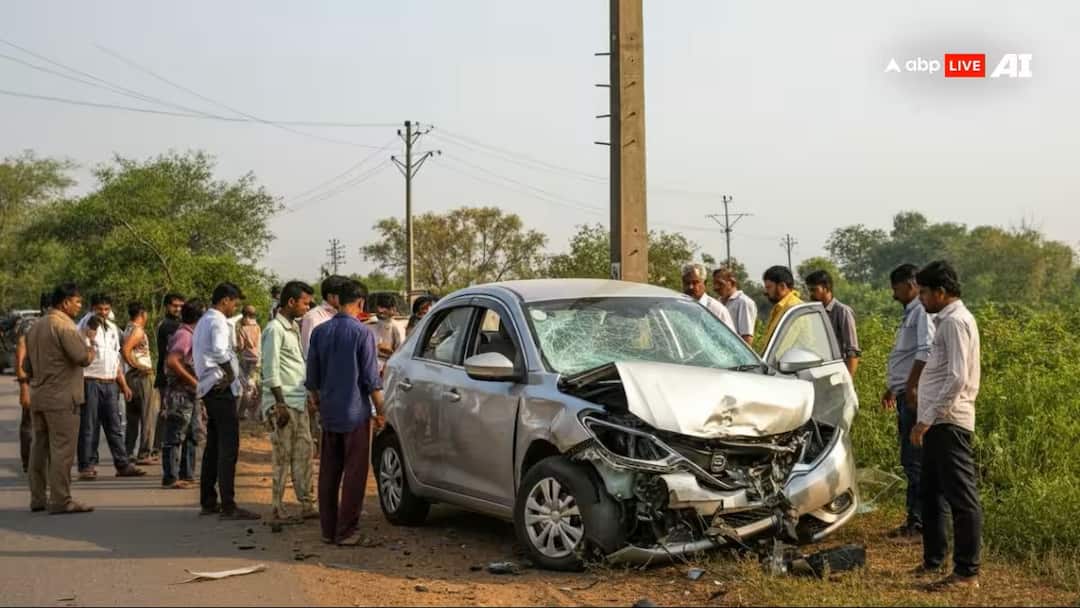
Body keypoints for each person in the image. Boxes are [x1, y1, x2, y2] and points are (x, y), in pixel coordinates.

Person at [910, 261, 983, 591]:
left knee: (961, 498)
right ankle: (933, 560)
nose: (921, 298)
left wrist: (926, 419)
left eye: (924, 292)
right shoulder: (947, 321)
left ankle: (967, 571)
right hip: (938, 421)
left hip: (948, 421)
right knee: (930, 493)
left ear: (941, 292)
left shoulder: (954, 322)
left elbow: (957, 377)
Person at [305, 279, 384, 546]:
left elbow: (312, 378)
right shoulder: (363, 334)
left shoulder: (320, 332)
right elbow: (371, 380)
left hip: (329, 412)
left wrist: (317, 401)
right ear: (361, 302)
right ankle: (347, 530)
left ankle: (328, 529)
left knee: (329, 471)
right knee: (354, 474)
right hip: (355, 413)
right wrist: (382, 411)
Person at [23, 283, 96, 514]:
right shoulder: (64, 326)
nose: (79, 306)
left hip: (40, 397)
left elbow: (27, 366)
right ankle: (61, 500)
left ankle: (37, 498)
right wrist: (90, 343)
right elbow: (82, 358)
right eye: (77, 302)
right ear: (65, 302)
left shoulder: (35, 327)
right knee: (62, 450)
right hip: (63, 399)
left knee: (39, 448)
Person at [193, 282, 259, 520]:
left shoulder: (204, 321)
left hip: (210, 386)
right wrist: (230, 375)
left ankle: (209, 501)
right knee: (228, 447)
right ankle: (228, 504)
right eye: (234, 303)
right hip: (220, 387)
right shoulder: (218, 320)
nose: (235, 308)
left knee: (214, 446)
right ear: (225, 301)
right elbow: (221, 351)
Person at [881, 263, 935, 541]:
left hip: (914, 396)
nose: (894, 293)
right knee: (911, 460)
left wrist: (912, 386)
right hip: (904, 393)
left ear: (911, 284)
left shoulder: (922, 312)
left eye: (897, 287)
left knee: (914, 461)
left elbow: (925, 351)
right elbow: (907, 353)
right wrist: (894, 387)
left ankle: (919, 525)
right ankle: (915, 521)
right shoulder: (912, 312)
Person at [261, 281, 317, 521]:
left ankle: (307, 504)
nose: (308, 307)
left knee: (304, 453)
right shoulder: (275, 329)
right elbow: (271, 369)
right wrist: (280, 404)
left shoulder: (293, 328)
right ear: (291, 302)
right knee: (282, 456)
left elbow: (296, 366)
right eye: (305, 302)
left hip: (298, 400)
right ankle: (277, 506)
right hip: (283, 404)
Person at [76, 294, 145, 479]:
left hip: (110, 382)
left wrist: (123, 384)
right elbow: (80, 350)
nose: (103, 313)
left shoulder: (113, 329)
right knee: (89, 426)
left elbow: (116, 359)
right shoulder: (85, 324)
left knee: (114, 426)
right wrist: (90, 336)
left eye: (106, 309)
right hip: (89, 379)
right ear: (92, 308)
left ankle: (122, 464)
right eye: (100, 309)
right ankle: (86, 466)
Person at [300, 275, 348, 457]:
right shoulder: (314, 317)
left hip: (339, 380)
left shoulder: (342, 315)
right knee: (320, 423)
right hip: (321, 380)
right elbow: (308, 352)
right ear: (332, 296)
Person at [161, 299, 206, 489]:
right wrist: (192, 380)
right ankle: (170, 476)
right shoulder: (184, 336)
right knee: (175, 434)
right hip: (181, 393)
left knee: (191, 434)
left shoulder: (191, 334)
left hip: (190, 392)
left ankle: (187, 474)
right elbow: (172, 361)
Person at [14, 293, 50, 474]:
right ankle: (28, 463)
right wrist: (23, 386)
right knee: (29, 424)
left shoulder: (59, 324)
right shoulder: (30, 326)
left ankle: (44, 463)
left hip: (51, 384)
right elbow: (21, 355)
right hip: (33, 382)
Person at [804, 270, 861, 376]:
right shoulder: (814, 312)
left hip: (838, 372)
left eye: (814, 290)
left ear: (826, 288)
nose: (811, 294)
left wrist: (848, 379)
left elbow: (852, 351)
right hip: (821, 371)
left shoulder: (842, 311)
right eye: (809, 290)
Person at [122, 301, 157, 464]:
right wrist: (137, 366)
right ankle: (144, 453)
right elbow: (126, 350)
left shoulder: (127, 328)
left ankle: (128, 451)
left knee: (133, 417)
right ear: (142, 314)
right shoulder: (137, 330)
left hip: (130, 376)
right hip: (142, 376)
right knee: (147, 415)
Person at [153, 293, 185, 459]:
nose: (178, 309)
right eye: (174, 306)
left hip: (173, 373)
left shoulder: (179, 324)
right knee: (167, 411)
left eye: (181, 306)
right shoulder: (167, 325)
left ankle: (161, 445)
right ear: (166, 306)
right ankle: (158, 446)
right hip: (167, 374)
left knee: (171, 411)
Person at [681, 264, 734, 331]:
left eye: (695, 283)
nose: (690, 287)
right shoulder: (677, 307)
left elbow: (729, 339)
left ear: (704, 283)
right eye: (687, 283)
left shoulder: (717, 310)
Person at [712, 268, 758, 346]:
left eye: (720, 284)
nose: (716, 288)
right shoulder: (717, 302)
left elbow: (747, 338)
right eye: (714, 284)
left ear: (732, 283)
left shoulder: (743, 302)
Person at [760, 266, 803, 347]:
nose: (765, 292)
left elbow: (781, 348)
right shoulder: (781, 308)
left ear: (782, 286)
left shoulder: (792, 308)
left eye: (769, 287)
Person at [235, 305, 262, 421]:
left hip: (246, 358)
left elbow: (240, 346)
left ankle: (239, 412)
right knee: (250, 386)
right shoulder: (257, 327)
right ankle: (245, 413)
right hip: (257, 359)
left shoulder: (242, 328)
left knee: (244, 386)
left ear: (244, 315)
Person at [373, 294, 405, 374]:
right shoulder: (371, 324)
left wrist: (387, 350)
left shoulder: (397, 326)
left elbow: (400, 353)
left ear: (393, 309)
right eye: (379, 306)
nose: (380, 310)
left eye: (384, 307)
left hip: (387, 368)